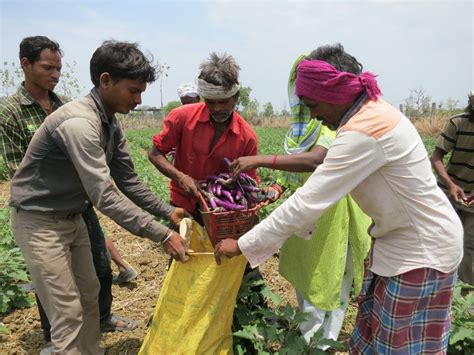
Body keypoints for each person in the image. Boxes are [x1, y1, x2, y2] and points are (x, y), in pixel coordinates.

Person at [215, 43, 463, 354]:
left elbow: (308, 200)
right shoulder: (370, 115)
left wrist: (241, 245)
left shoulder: (365, 130)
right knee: (370, 342)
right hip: (400, 245)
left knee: (397, 347)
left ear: (333, 94)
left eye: (313, 104)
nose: (314, 116)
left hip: (420, 253)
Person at [9, 40, 188, 355]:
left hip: (72, 215)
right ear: (106, 81)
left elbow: (127, 178)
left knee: (90, 294)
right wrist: (162, 234)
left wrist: (167, 211)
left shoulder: (110, 121)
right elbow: (104, 195)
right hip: (40, 221)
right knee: (66, 313)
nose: (139, 98)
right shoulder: (80, 124)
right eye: (133, 90)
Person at [0, 36, 137, 352]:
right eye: (48, 67)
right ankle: (59, 340)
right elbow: (17, 170)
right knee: (59, 293)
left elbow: (113, 174)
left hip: (78, 202)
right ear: (26, 64)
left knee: (95, 277)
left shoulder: (64, 105)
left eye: (59, 68)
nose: (55, 74)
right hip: (42, 210)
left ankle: (91, 333)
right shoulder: (10, 113)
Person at [229, 54, 371, 345]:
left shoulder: (331, 122)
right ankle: (310, 333)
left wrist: (260, 160)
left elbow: (314, 160)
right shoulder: (304, 127)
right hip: (307, 211)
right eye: (296, 86)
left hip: (332, 212)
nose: (300, 96)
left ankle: (322, 342)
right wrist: (277, 189)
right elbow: (294, 169)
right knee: (308, 274)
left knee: (329, 276)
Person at [148, 52, 258, 218]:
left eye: (223, 101)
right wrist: (181, 177)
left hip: (220, 211)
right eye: (211, 102)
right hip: (182, 202)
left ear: (235, 98)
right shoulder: (181, 117)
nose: (217, 108)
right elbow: (155, 154)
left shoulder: (247, 137)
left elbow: (247, 183)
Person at [431, 92, 474, 287]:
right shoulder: (458, 123)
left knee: (469, 246)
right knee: (441, 239)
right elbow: (436, 157)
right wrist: (450, 185)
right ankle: (436, 288)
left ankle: (465, 296)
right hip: (449, 192)